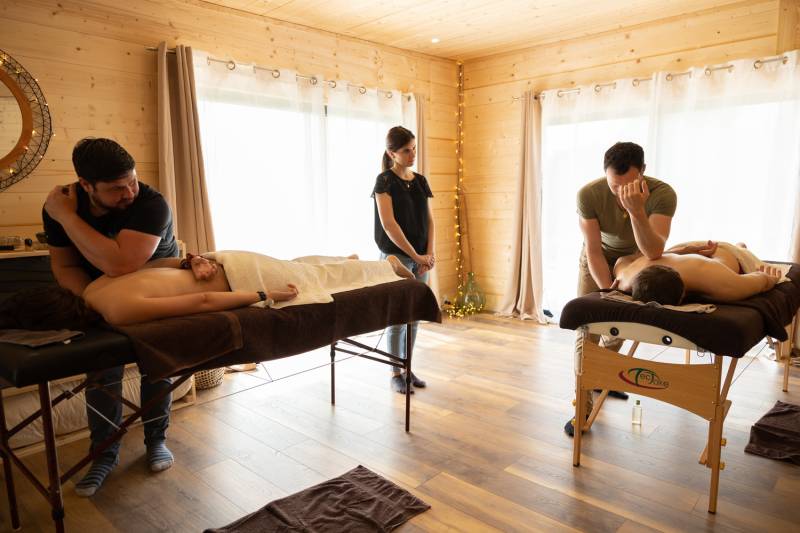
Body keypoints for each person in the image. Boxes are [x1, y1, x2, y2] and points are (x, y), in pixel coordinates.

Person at [41, 138, 182, 497]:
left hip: (155, 285)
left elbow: (122, 264)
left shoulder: (151, 204)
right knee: (101, 372)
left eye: (132, 181)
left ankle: (156, 440)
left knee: (157, 365)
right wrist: (93, 302)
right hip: (97, 290)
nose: (129, 192)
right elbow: (65, 266)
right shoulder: (59, 205)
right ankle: (103, 454)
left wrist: (67, 218)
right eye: (117, 188)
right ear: (86, 185)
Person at [567, 141, 678, 437]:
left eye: (627, 187)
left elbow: (653, 251)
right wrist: (608, 292)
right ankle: (582, 407)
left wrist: (637, 210)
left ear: (643, 172)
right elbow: (593, 250)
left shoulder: (663, 194)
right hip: (597, 258)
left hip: (636, 259)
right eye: (614, 187)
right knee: (587, 328)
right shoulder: (588, 194)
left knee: (621, 325)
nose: (619, 194)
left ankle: (602, 375)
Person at [372, 126, 435, 394]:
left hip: (421, 257)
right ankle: (395, 372)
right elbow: (389, 226)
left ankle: (408, 368)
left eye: (414, 149)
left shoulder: (420, 181)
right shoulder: (384, 181)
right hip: (396, 258)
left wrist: (429, 255)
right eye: (407, 150)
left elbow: (430, 220)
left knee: (415, 316)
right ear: (392, 154)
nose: (413, 154)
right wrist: (415, 255)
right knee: (398, 318)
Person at [613, 241, 784, 304]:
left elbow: (760, 281)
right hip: (680, 250)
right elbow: (621, 261)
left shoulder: (720, 282)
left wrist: (770, 278)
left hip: (717, 250)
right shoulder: (625, 278)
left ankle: (740, 247)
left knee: (735, 257)